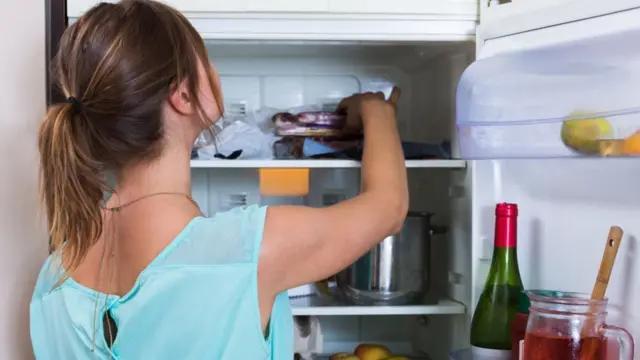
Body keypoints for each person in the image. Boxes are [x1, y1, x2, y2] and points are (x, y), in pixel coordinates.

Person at [30, 1, 408, 359]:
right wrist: (377, 110)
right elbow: (388, 207)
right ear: (181, 95)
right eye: (204, 58)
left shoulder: (55, 275)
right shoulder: (248, 254)